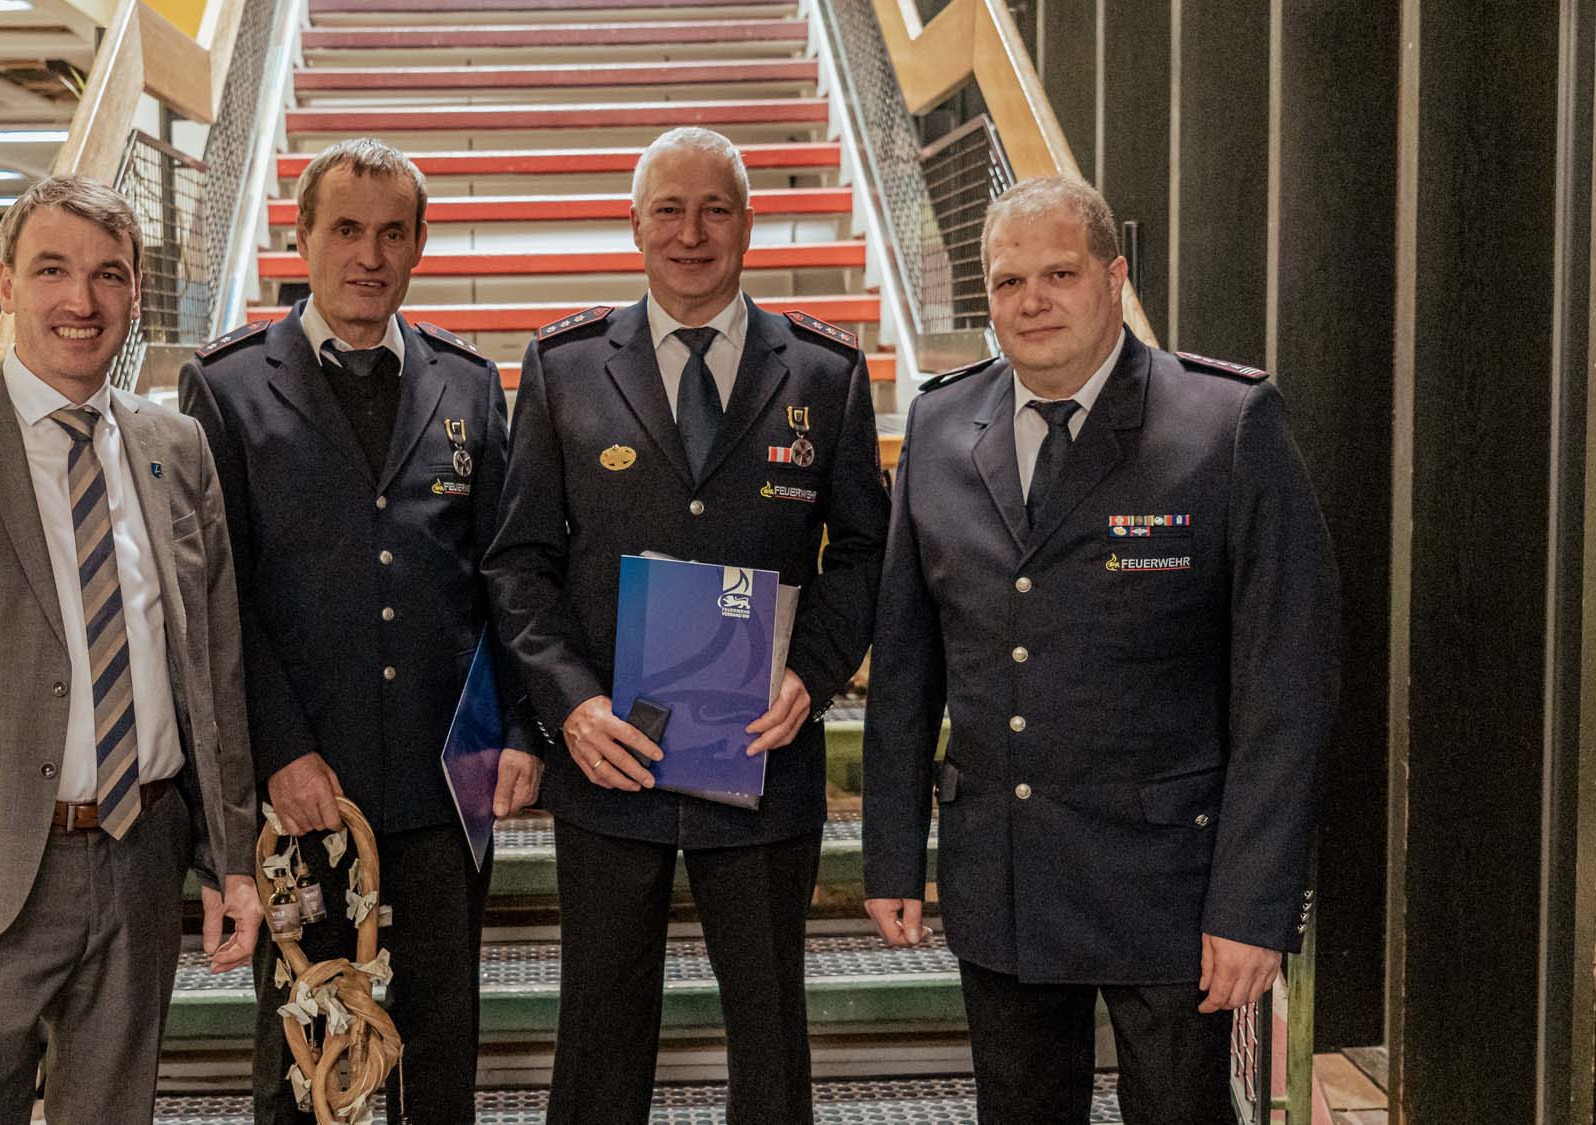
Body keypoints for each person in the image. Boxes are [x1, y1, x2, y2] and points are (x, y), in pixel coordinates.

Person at [861, 174, 1340, 1123]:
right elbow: (906, 666)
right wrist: (891, 854)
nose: (1032, 301)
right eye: (1008, 282)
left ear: (1114, 279)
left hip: (1170, 884)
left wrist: (1253, 903)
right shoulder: (941, 423)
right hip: (1004, 872)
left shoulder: (1225, 423)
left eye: (1059, 274)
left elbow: (1288, 685)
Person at [483, 126, 890, 1124]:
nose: (691, 233)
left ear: (748, 224)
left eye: (714, 209)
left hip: (759, 752)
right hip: (610, 757)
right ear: (634, 225)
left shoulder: (825, 374)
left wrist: (812, 675)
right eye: (668, 209)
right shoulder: (564, 366)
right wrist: (570, 707)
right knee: (598, 1033)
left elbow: (864, 553)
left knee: (769, 1034)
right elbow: (519, 562)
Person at [0, 174, 262, 1124]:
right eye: (52, 270)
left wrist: (231, 855)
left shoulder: (177, 447)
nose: (83, 300)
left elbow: (213, 671)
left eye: (109, 274)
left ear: (136, 293)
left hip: (141, 855)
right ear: (6, 281)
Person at [177, 137, 542, 1125]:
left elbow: (504, 576)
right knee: (308, 1054)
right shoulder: (226, 388)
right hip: (307, 791)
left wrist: (517, 728)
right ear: (303, 237)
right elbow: (221, 597)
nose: (368, 256)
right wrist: (279, 750)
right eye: (345, 229)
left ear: (419, 244)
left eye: (391, 233)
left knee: (438, 1050)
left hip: (445, 782)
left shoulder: (470, 385)